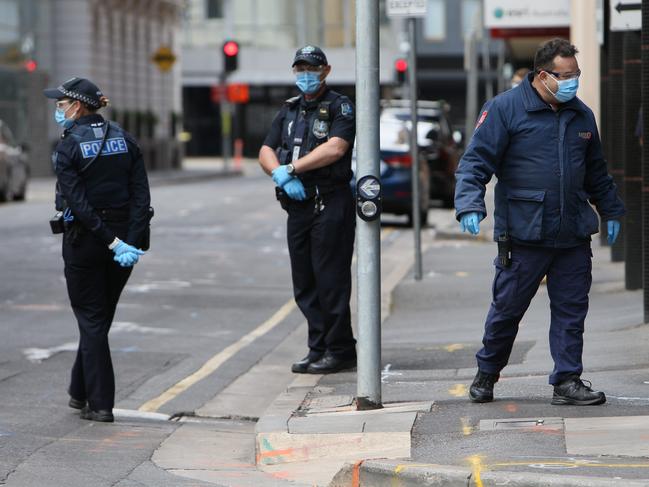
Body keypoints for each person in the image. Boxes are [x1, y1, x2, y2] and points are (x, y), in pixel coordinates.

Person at [455, 39, 625, 406]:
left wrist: (611, 209)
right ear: (543, 75)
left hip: (572, 233)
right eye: (566, 76)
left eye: (576, 75)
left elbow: (597, 172)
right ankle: (487, 373)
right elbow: (475, 163)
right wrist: (469, 204)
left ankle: (567, 381)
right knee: (506, 312)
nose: (573, 83)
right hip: (523, 234)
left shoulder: (581, 115)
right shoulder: (504, 109)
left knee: (571, 311)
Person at [44, 77, 151, 422]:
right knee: (98, 319)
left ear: (78, 106)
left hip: (87, 242)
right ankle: (79, 391)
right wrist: (128, 241)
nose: (58, 110)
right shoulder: (126, 138)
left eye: (61, 104)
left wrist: (110, 240)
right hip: (123, 244)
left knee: (91, 320)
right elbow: (141, 197)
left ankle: (101, 404)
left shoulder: (67, 146)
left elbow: (77, 202)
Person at [259, 46, 357, 374]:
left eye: (311, 68)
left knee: (330, 279)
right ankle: (318, 347)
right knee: (304, 283)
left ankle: (340, 349)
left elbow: (336, 147)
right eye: (299, 68)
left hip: (329, 201)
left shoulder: (339, 106)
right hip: (298, 206)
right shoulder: (289, 110)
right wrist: (278, 174)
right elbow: (266, 149)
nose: (305, 74)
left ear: (326, 70)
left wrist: (294, 169)